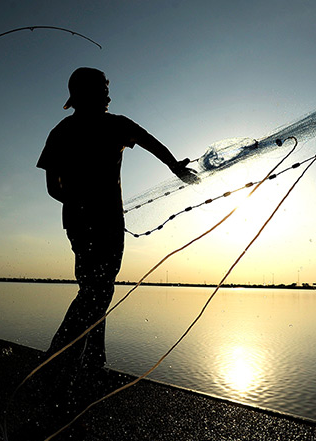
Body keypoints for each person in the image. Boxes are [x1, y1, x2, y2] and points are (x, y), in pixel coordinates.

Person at [37, 67, 198, 382]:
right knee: (97, 291)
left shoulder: (76, 129)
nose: (108, 95)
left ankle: (92, 362)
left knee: (95, 289)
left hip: (81, 222)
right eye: (102, 89)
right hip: (100, 223)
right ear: (85, 95)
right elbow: (52, 186)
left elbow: (54, 188)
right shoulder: (91, 128)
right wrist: (174, 166)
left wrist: (175, 166)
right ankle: (58, 361)